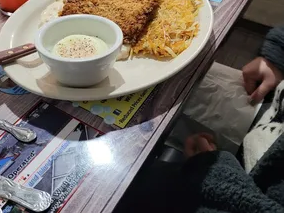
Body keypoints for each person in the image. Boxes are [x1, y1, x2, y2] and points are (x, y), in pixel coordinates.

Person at [114, 26, 284, 213]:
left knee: (120, 184)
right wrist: (278, 54)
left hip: (241, 188)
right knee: (168, 75)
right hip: (272, 111)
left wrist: (214, 172)